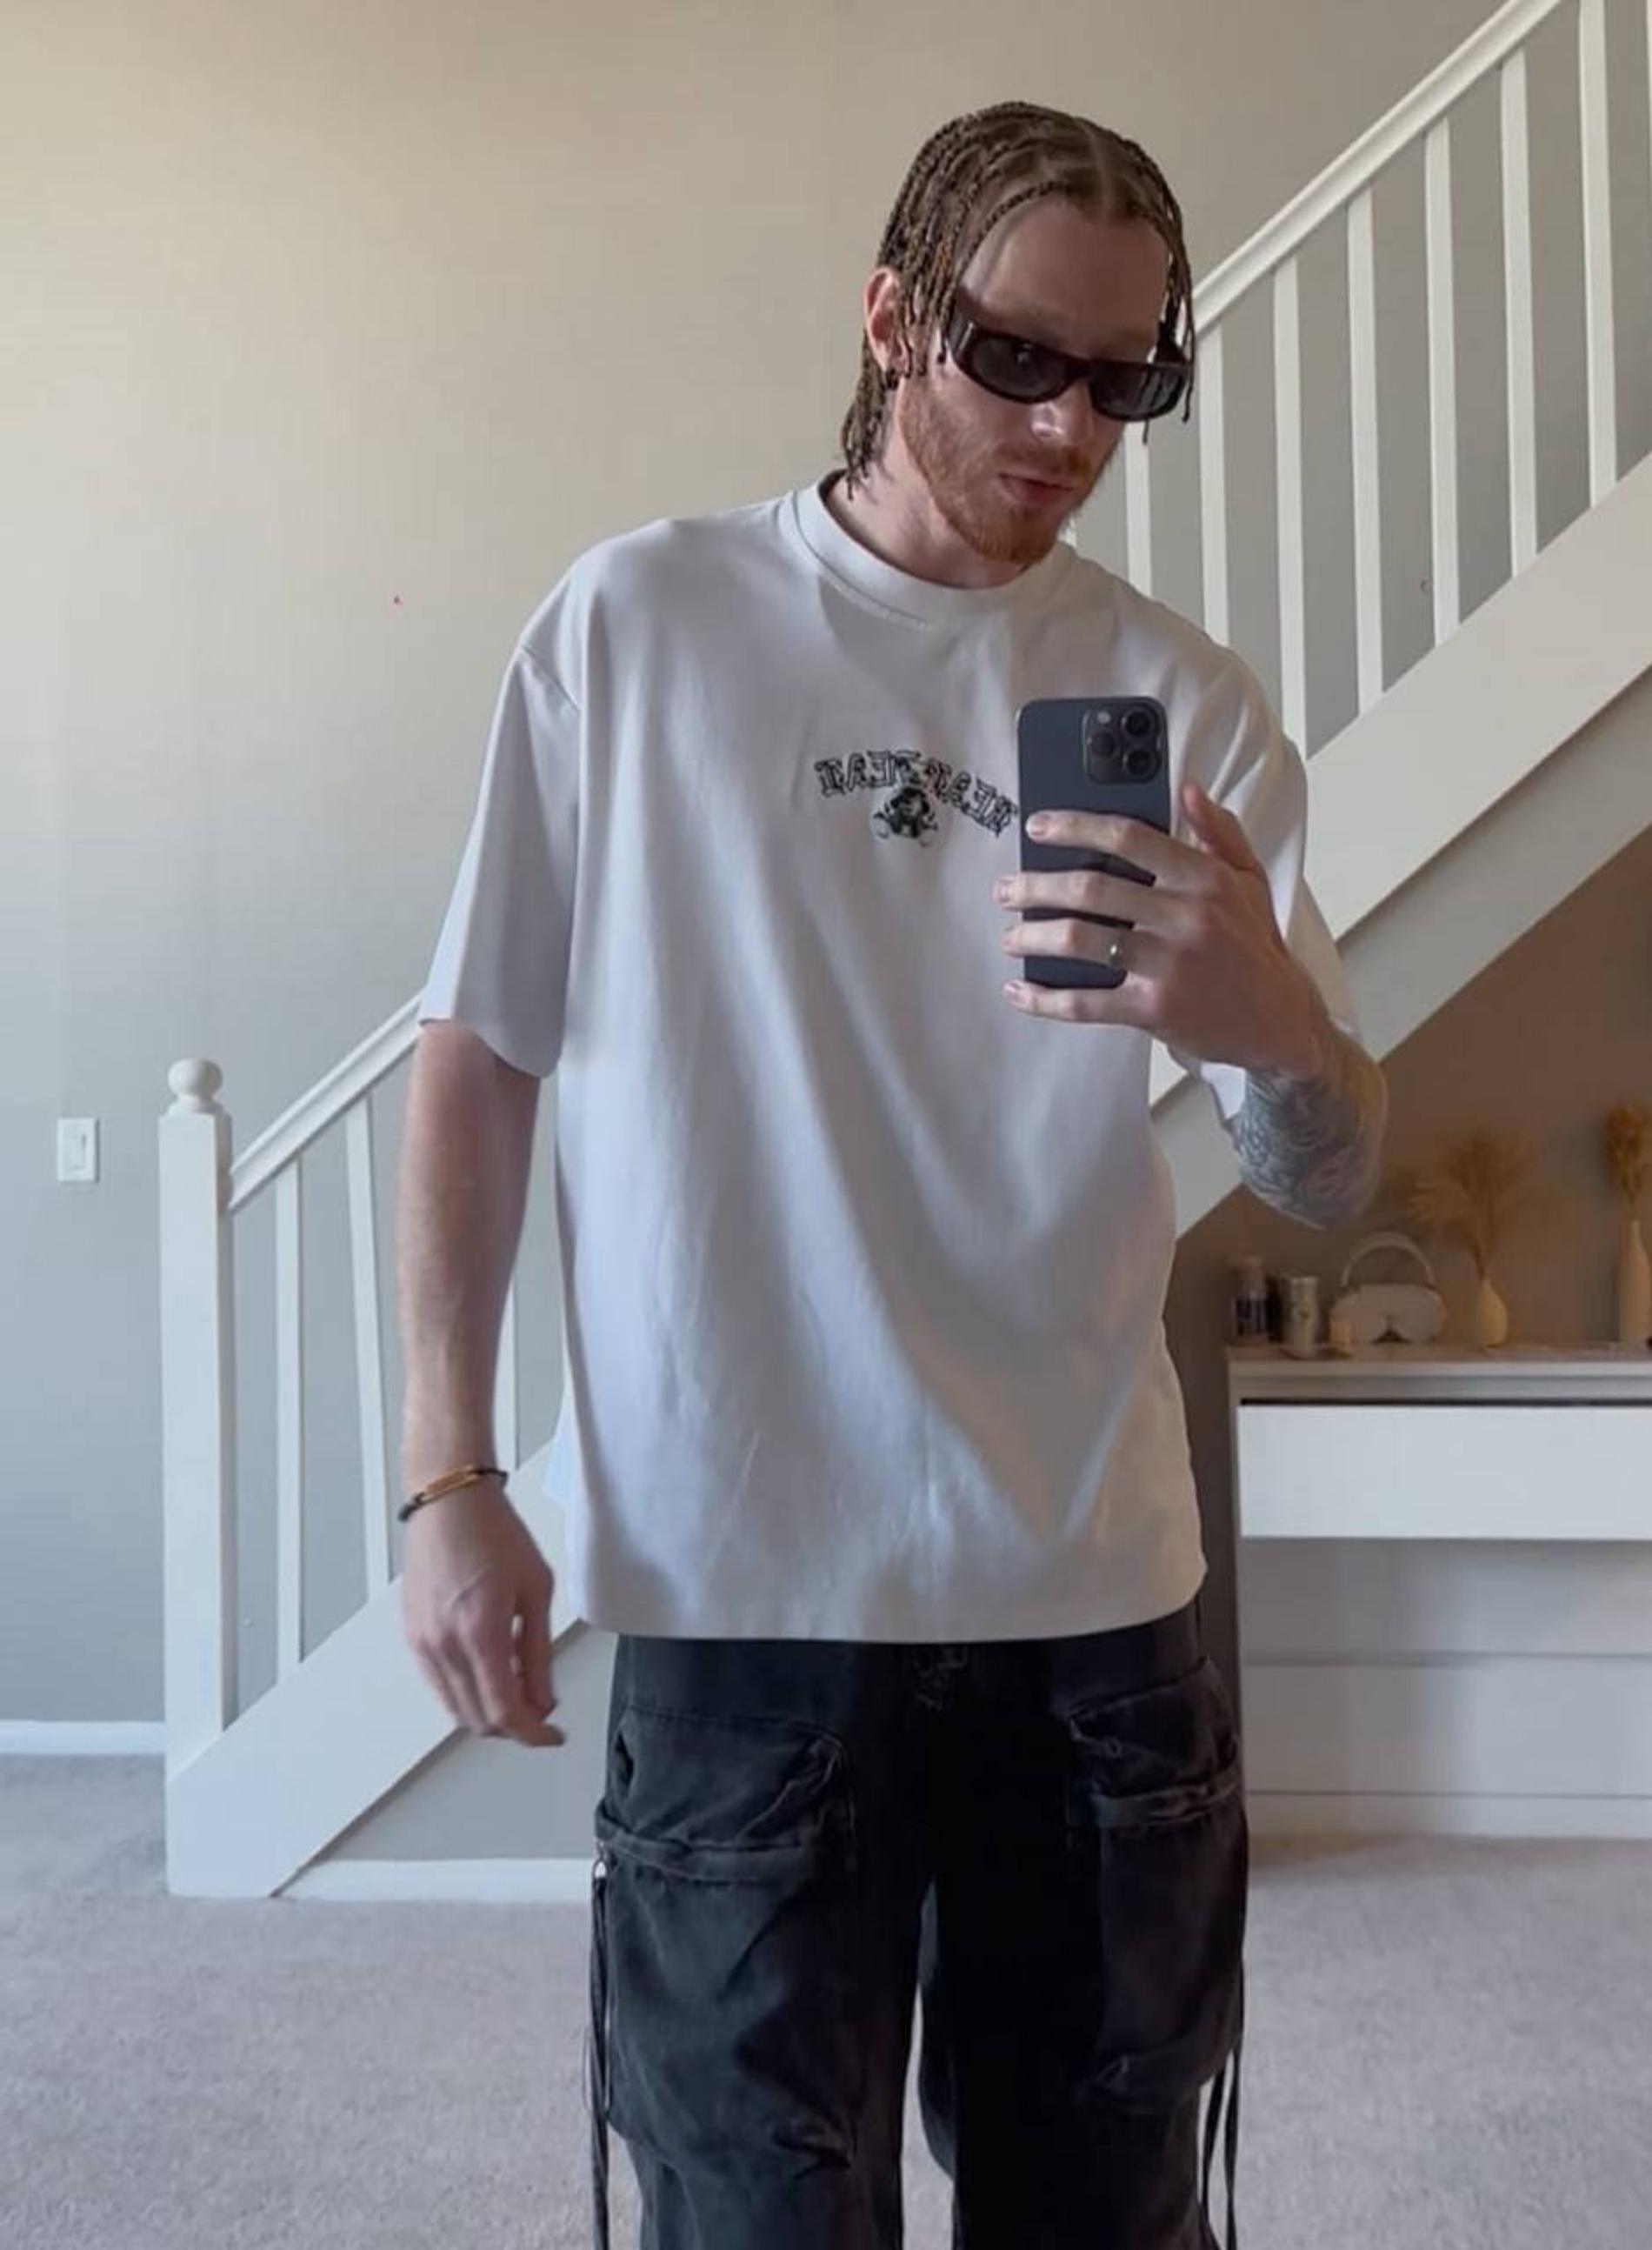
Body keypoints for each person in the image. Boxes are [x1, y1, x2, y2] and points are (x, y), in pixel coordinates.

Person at [394, 98, 1388, 2250]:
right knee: (751, 2219)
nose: (1065, 429)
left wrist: (1268, 1029)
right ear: (888, 317)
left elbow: (1326, 1174)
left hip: (1090, 1604)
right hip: (741, 1590)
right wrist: (444, 1473)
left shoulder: (1182, 702)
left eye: (1123, 382)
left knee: (1102, 2215)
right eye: (1017, 358)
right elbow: (475, 1055)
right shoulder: (638, 625)